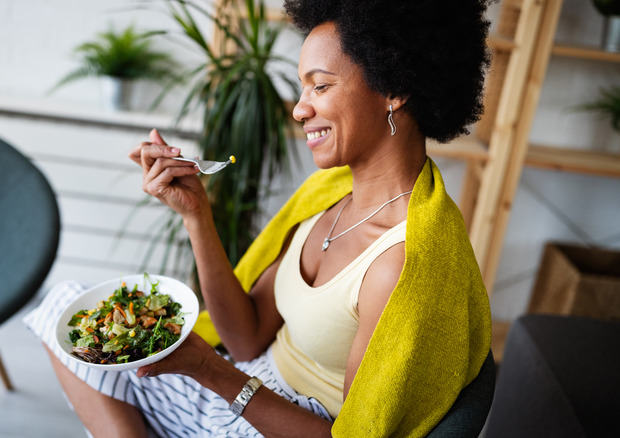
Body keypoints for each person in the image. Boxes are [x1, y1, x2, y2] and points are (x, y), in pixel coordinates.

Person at [24, 0, 493, 436]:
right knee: (64, 305)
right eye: (302, 87)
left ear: (394, 90)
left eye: (321, 85)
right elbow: (246, 337)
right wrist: (196, 216)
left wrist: (210, 370)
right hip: (244, 382)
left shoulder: (402, 263)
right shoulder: (328, 195)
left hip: (276, 420)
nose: (299, 108)